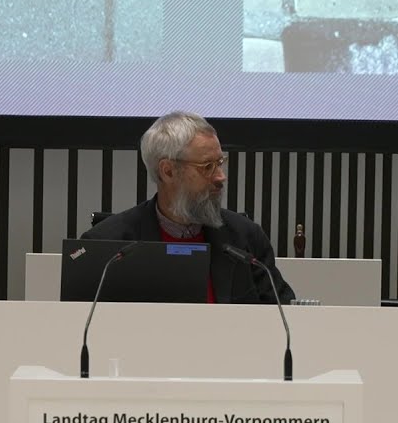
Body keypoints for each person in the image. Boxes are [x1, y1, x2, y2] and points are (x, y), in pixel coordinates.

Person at [82, 111, 295, 304]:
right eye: (208, 166)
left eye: (220, 163)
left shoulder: (245, 238)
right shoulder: (107, 245)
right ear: (168, 171)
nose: (221, 177)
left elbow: (285, 313)